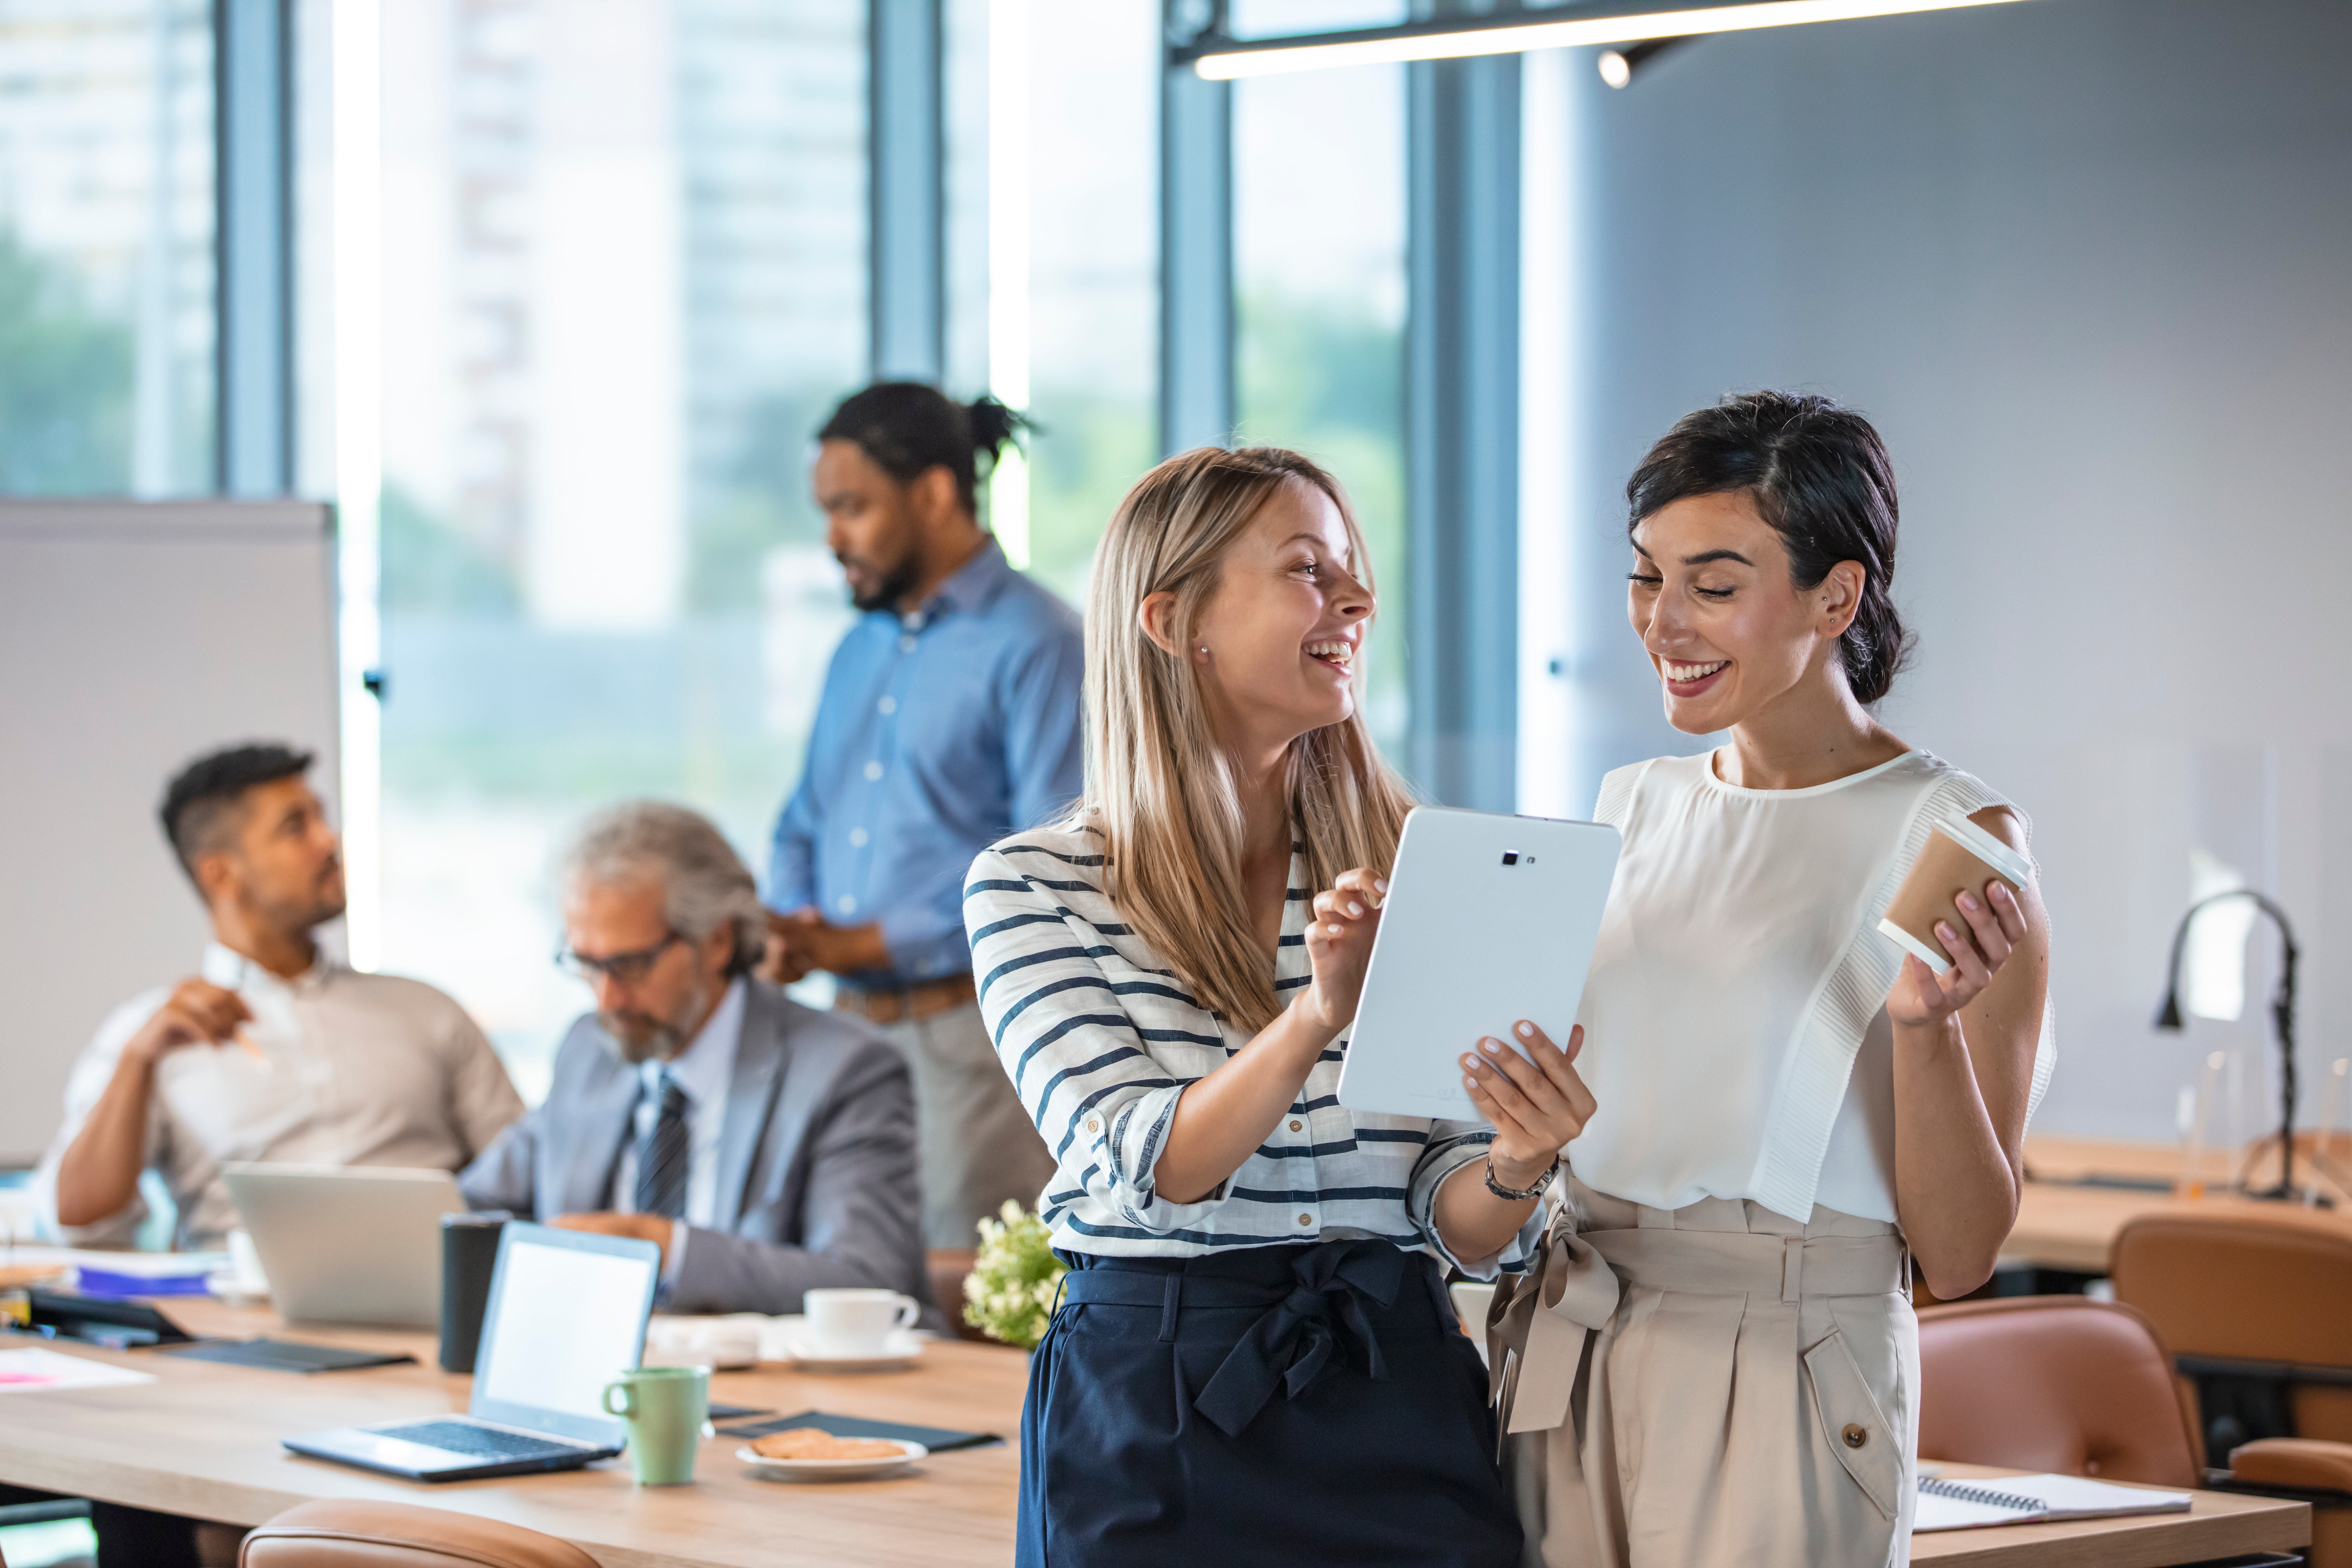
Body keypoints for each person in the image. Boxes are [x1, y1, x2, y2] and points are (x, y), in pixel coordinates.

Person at [965, 446, 1580, 1567]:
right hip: (1153, 1399)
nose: (1355, 600)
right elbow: (1151, 1163)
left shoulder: (1422, 864)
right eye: (1307, 570)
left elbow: (1457, 1215)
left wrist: (1522, 1155)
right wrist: (1315, 1018)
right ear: (1170, 618)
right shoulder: (1033, 885)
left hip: (1394, 1376)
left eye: (1353, 572)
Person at [1493, 392, 2054, 1567]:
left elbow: (1958, 1255)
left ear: (1836, 595)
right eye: (1647, 577)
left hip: (1785, 1355)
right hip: (1572, 1332)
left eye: (1715, 581)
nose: (1663, 623)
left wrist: (1924, 1027)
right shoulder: (1630, 805)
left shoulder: (1951, 831)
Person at [764, 382, 1082, 1249]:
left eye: (853, 508)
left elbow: (1055, 873)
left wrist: (870, 942)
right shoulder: (858, 647)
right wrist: (794, 922)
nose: (833, 537)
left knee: (963, 1303)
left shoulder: (1041, 644)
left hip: (969, 1044)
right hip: (845, 1032)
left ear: (936, 493)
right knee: (837, 1284)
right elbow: (803, 820)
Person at [37, 742, 523, 1251]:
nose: (328, 840)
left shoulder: (428, 1011)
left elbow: (527, 1177)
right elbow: (77, 1221)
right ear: (221, 873)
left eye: (322, 819)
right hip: (238, 1311)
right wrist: (139, 1060)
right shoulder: (150, 1034)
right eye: (296, 827)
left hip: (431, 1301)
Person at [462, 801, 934, 1322]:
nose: (606, 999)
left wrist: (666, 1249)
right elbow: (475, 1207)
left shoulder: (846, 1069)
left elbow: (869, 1282)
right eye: (587, 965)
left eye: (630, 965)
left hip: (764, 1388)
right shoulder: (589, 1049)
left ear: (717, 941)